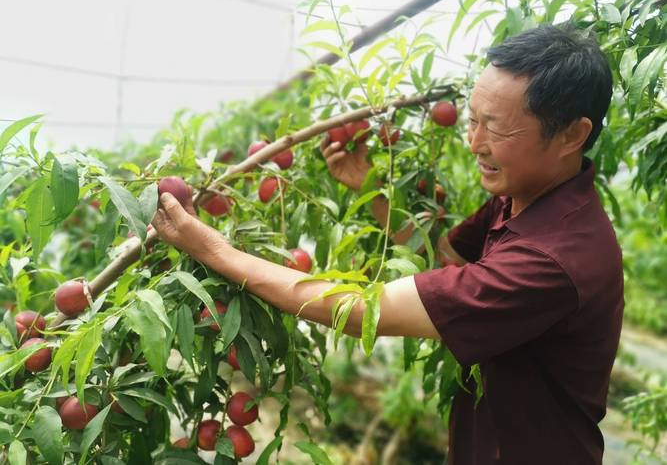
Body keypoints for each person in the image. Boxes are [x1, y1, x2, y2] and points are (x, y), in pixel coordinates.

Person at [152, 24, 623, 465]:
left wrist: (214, 251)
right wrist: (370, 186)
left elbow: (361, 312)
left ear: (572, 135)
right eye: (473, 119)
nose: (473, 141)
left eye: (495, 127)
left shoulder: (552, 259)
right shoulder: (525, 196)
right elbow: (448, 259)